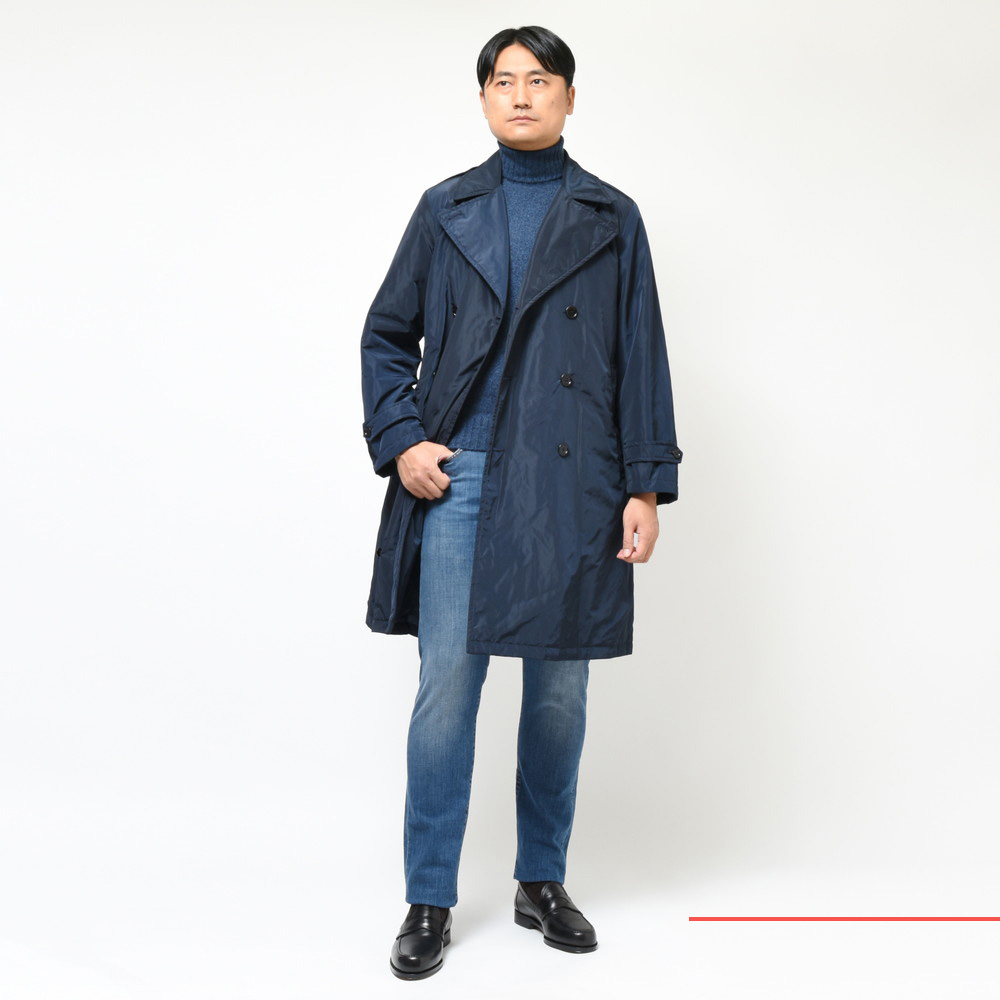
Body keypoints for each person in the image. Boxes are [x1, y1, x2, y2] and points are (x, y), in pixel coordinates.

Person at [359, 25, 682, 980]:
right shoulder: (445, 208)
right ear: (484, 99)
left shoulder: (611, 216)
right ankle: (429, 896)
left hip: (573, 483)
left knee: (558, 696)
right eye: (504, 81)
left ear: (570, 97)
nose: (521, 95)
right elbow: (386, 335)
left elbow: (640, 355)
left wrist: (644, 485)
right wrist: (404, 439)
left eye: (540, 80)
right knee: (446, 693)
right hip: (461, 477)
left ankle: (541, 881)